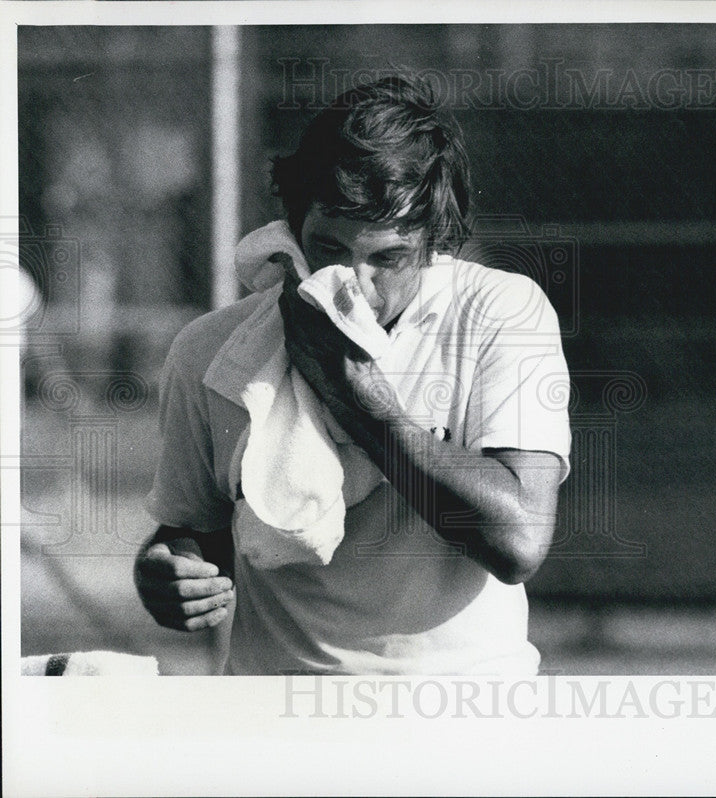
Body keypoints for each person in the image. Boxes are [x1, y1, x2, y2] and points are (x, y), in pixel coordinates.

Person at [134, 75, 572, 675]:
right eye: (331, 249)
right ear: (290, 228)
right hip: (275, 717)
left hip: (465, 717)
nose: (356, 287)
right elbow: (190, 530)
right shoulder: (211, 350)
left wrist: (355, 396)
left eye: (388, 258)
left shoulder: (500, 313)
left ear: (433, 243)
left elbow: (517, 541)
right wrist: (168, 570)